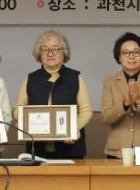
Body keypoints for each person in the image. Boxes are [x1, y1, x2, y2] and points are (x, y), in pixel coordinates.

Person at [14, 30, 92, 159]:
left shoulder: (75, 77)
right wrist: (22, 119)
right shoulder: (31, 78)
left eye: (55, 49)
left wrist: (73, 129)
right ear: (39, 53)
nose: (50, 53)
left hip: (70, 149)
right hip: (37, 150)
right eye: (45, 49)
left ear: (63, 52)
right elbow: (18, 109)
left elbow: (86, 110)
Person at [101, 32, 140, 158]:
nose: (131, 56)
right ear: (119, 57)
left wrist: (138, 102)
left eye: (136, 52)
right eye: (126, 53)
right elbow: (105, 118)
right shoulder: (110, 82)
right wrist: (124, 105)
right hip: (117, 148)